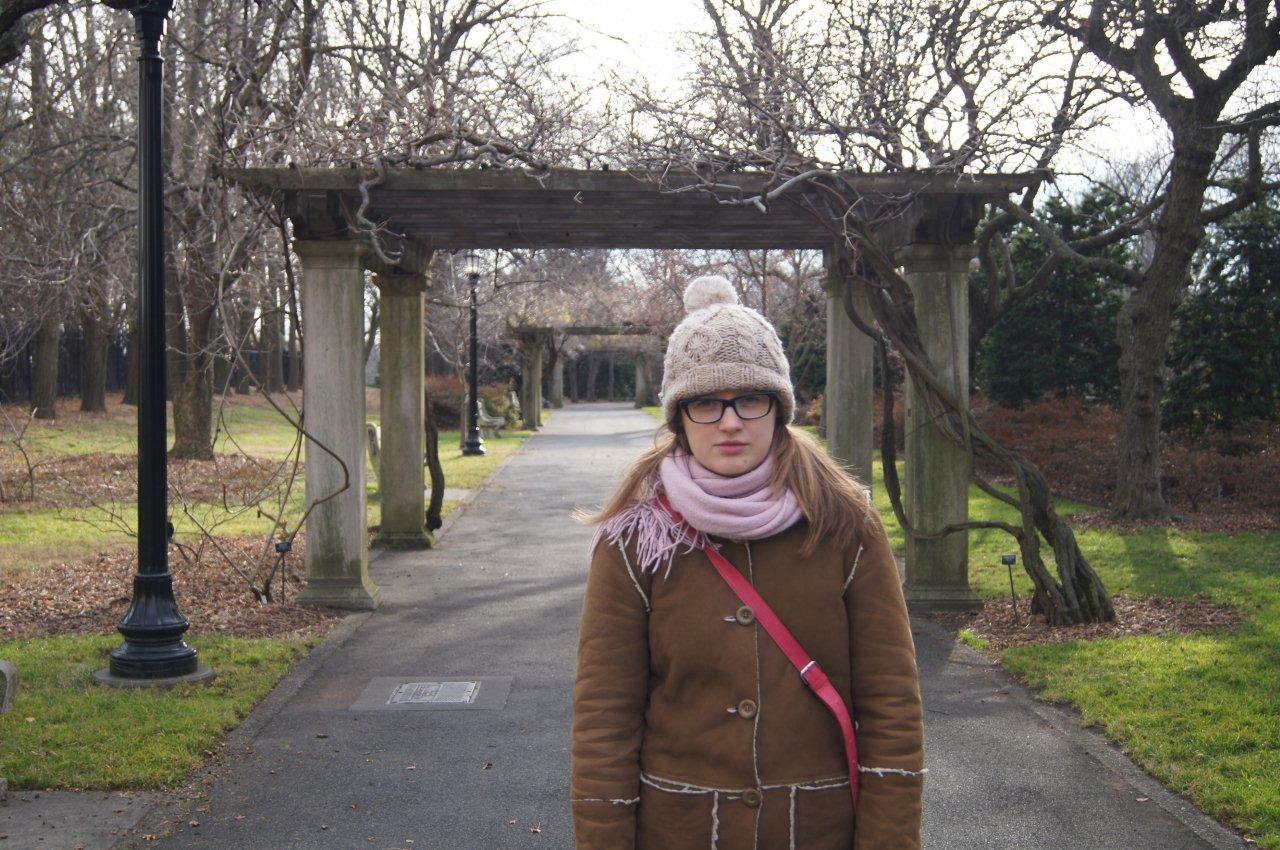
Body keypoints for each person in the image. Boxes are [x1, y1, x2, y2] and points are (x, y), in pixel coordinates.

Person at [570, 275, 926, 849]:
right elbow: (604, 720)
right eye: (706, 402)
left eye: (750, 399)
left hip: (817, 831)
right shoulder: (635, 540)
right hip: (680, 832)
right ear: (679, 417)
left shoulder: (845, 525)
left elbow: (892, 707)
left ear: (779, 408)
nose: (730, 421)